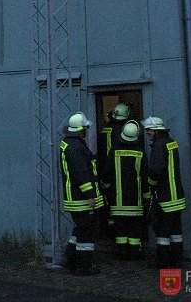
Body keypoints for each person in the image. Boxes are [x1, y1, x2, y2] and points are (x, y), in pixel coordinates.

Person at [58, 111, 105, 276]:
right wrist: (90, 195)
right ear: (80, 129)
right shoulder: (76, 148)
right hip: (81, 199)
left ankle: (69, 258)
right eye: (85, 127)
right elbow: (81, 174)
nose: (87, 130)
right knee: (86, 233)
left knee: (81, 228)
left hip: (75, 197)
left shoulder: (69, 144)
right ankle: (84, 267)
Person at [101, 120, 151, 260]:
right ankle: (134, 254)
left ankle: (122, 253)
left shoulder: (114, 151)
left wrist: (106, 190)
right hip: (136, 201)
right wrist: (147, 196)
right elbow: (145, 176)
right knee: (135, 229)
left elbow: (107, 173)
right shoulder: (140, 152)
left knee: (120, 229)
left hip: (117, 201)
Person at [141, 116, 186, 269]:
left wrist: (150, 184)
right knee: (176, 231)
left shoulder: (159, 146)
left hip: (165, 197)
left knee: (162, 232)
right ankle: (177, 259)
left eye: (149, 130)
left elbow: (156, 170)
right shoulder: (171, 142)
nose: (147, 133)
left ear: (156, 130)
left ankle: (163, 261)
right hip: (177, 196)